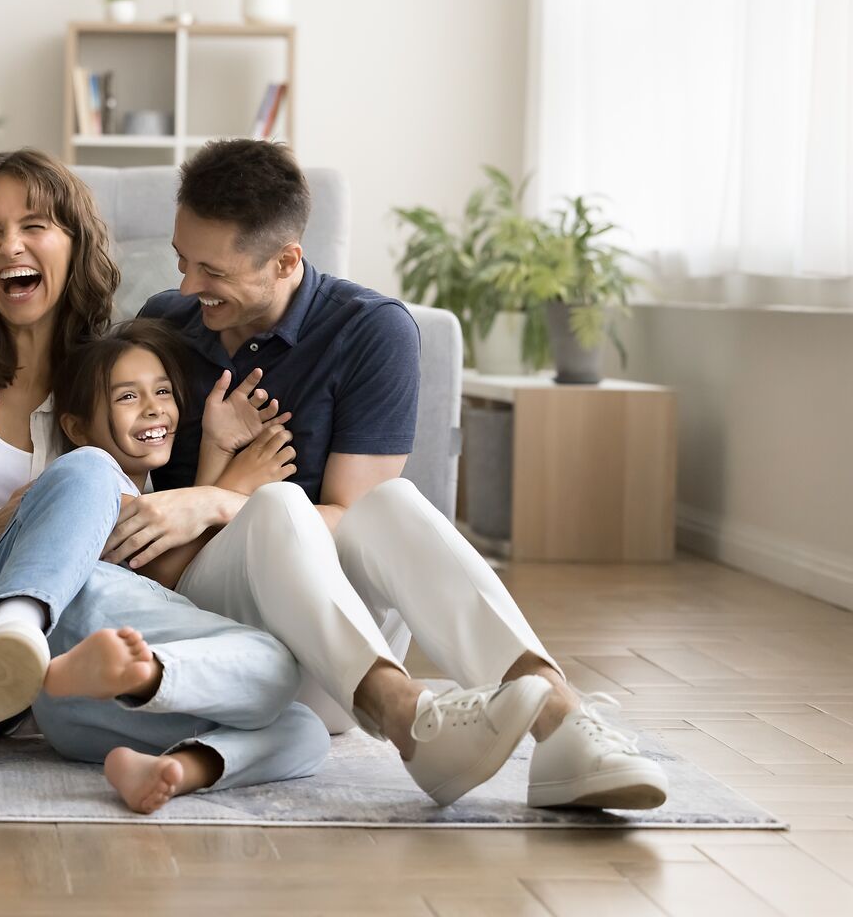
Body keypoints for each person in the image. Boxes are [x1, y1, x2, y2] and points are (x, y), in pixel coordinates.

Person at [84, 137, 668, 811]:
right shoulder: (167, 323)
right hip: (221, 652)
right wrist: (225, 492)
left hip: (335, 662)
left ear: (286, 261)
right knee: (277, 506)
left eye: (212, 271)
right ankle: (408, 717)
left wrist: (214, 501)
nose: (188, 288)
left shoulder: (370, 331)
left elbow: (351, 517)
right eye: (183, 261)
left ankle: (563, 723)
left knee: (391, 503)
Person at [0, 148, 327, 800]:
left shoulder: (103, 380)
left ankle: (20, 644)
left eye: (33, 225)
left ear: (75, 243)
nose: (10, 245)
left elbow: (133, 533)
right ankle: (15, 633)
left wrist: (216, 479)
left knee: (301, 724)